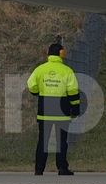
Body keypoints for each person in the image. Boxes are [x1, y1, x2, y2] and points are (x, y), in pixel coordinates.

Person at [27, 42, 80, 176]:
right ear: (62, 54)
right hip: (62, 113)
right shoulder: (67, 71)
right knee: (61, 142)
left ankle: (39, 169)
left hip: (45, 112)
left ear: (48, 53)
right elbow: (73, 91)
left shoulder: (40, 69)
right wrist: (75, 108)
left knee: (43, 142)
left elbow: (31, 85)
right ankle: (62, 168)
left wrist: (38, 92)